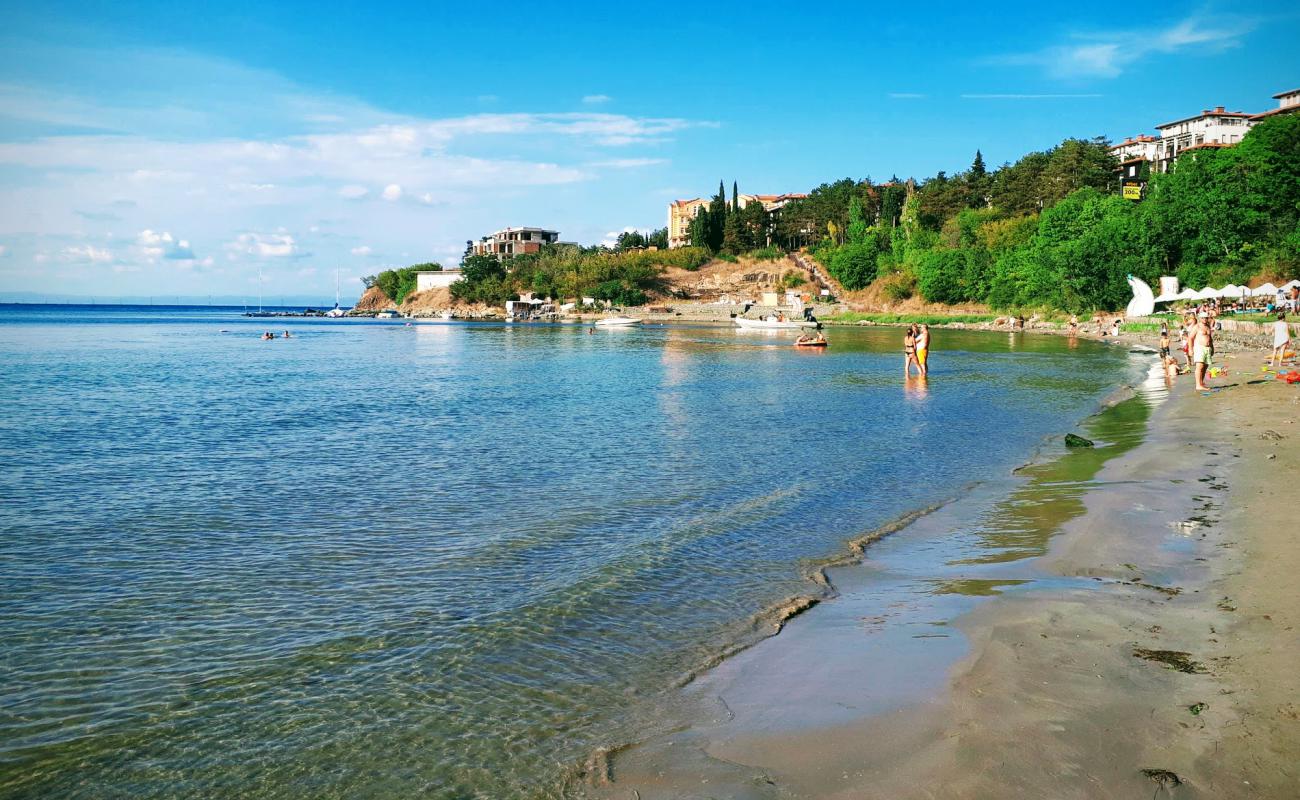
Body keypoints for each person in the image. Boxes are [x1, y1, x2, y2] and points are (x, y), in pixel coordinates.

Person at [1192, 312, 1214, 391]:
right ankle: (1198, 385)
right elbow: (1190, 338)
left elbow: (1210, 338)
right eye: (1203, 318)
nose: (1205, 319)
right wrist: (1191, 349)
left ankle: (1201, 383)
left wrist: (1212, 347)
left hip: (1207, 348)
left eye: (1206, 318)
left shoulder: (1208, 326)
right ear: (1200, 318)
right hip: (1199, 348)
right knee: (1200, 366)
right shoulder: (1197, 327)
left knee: (1205, 366)